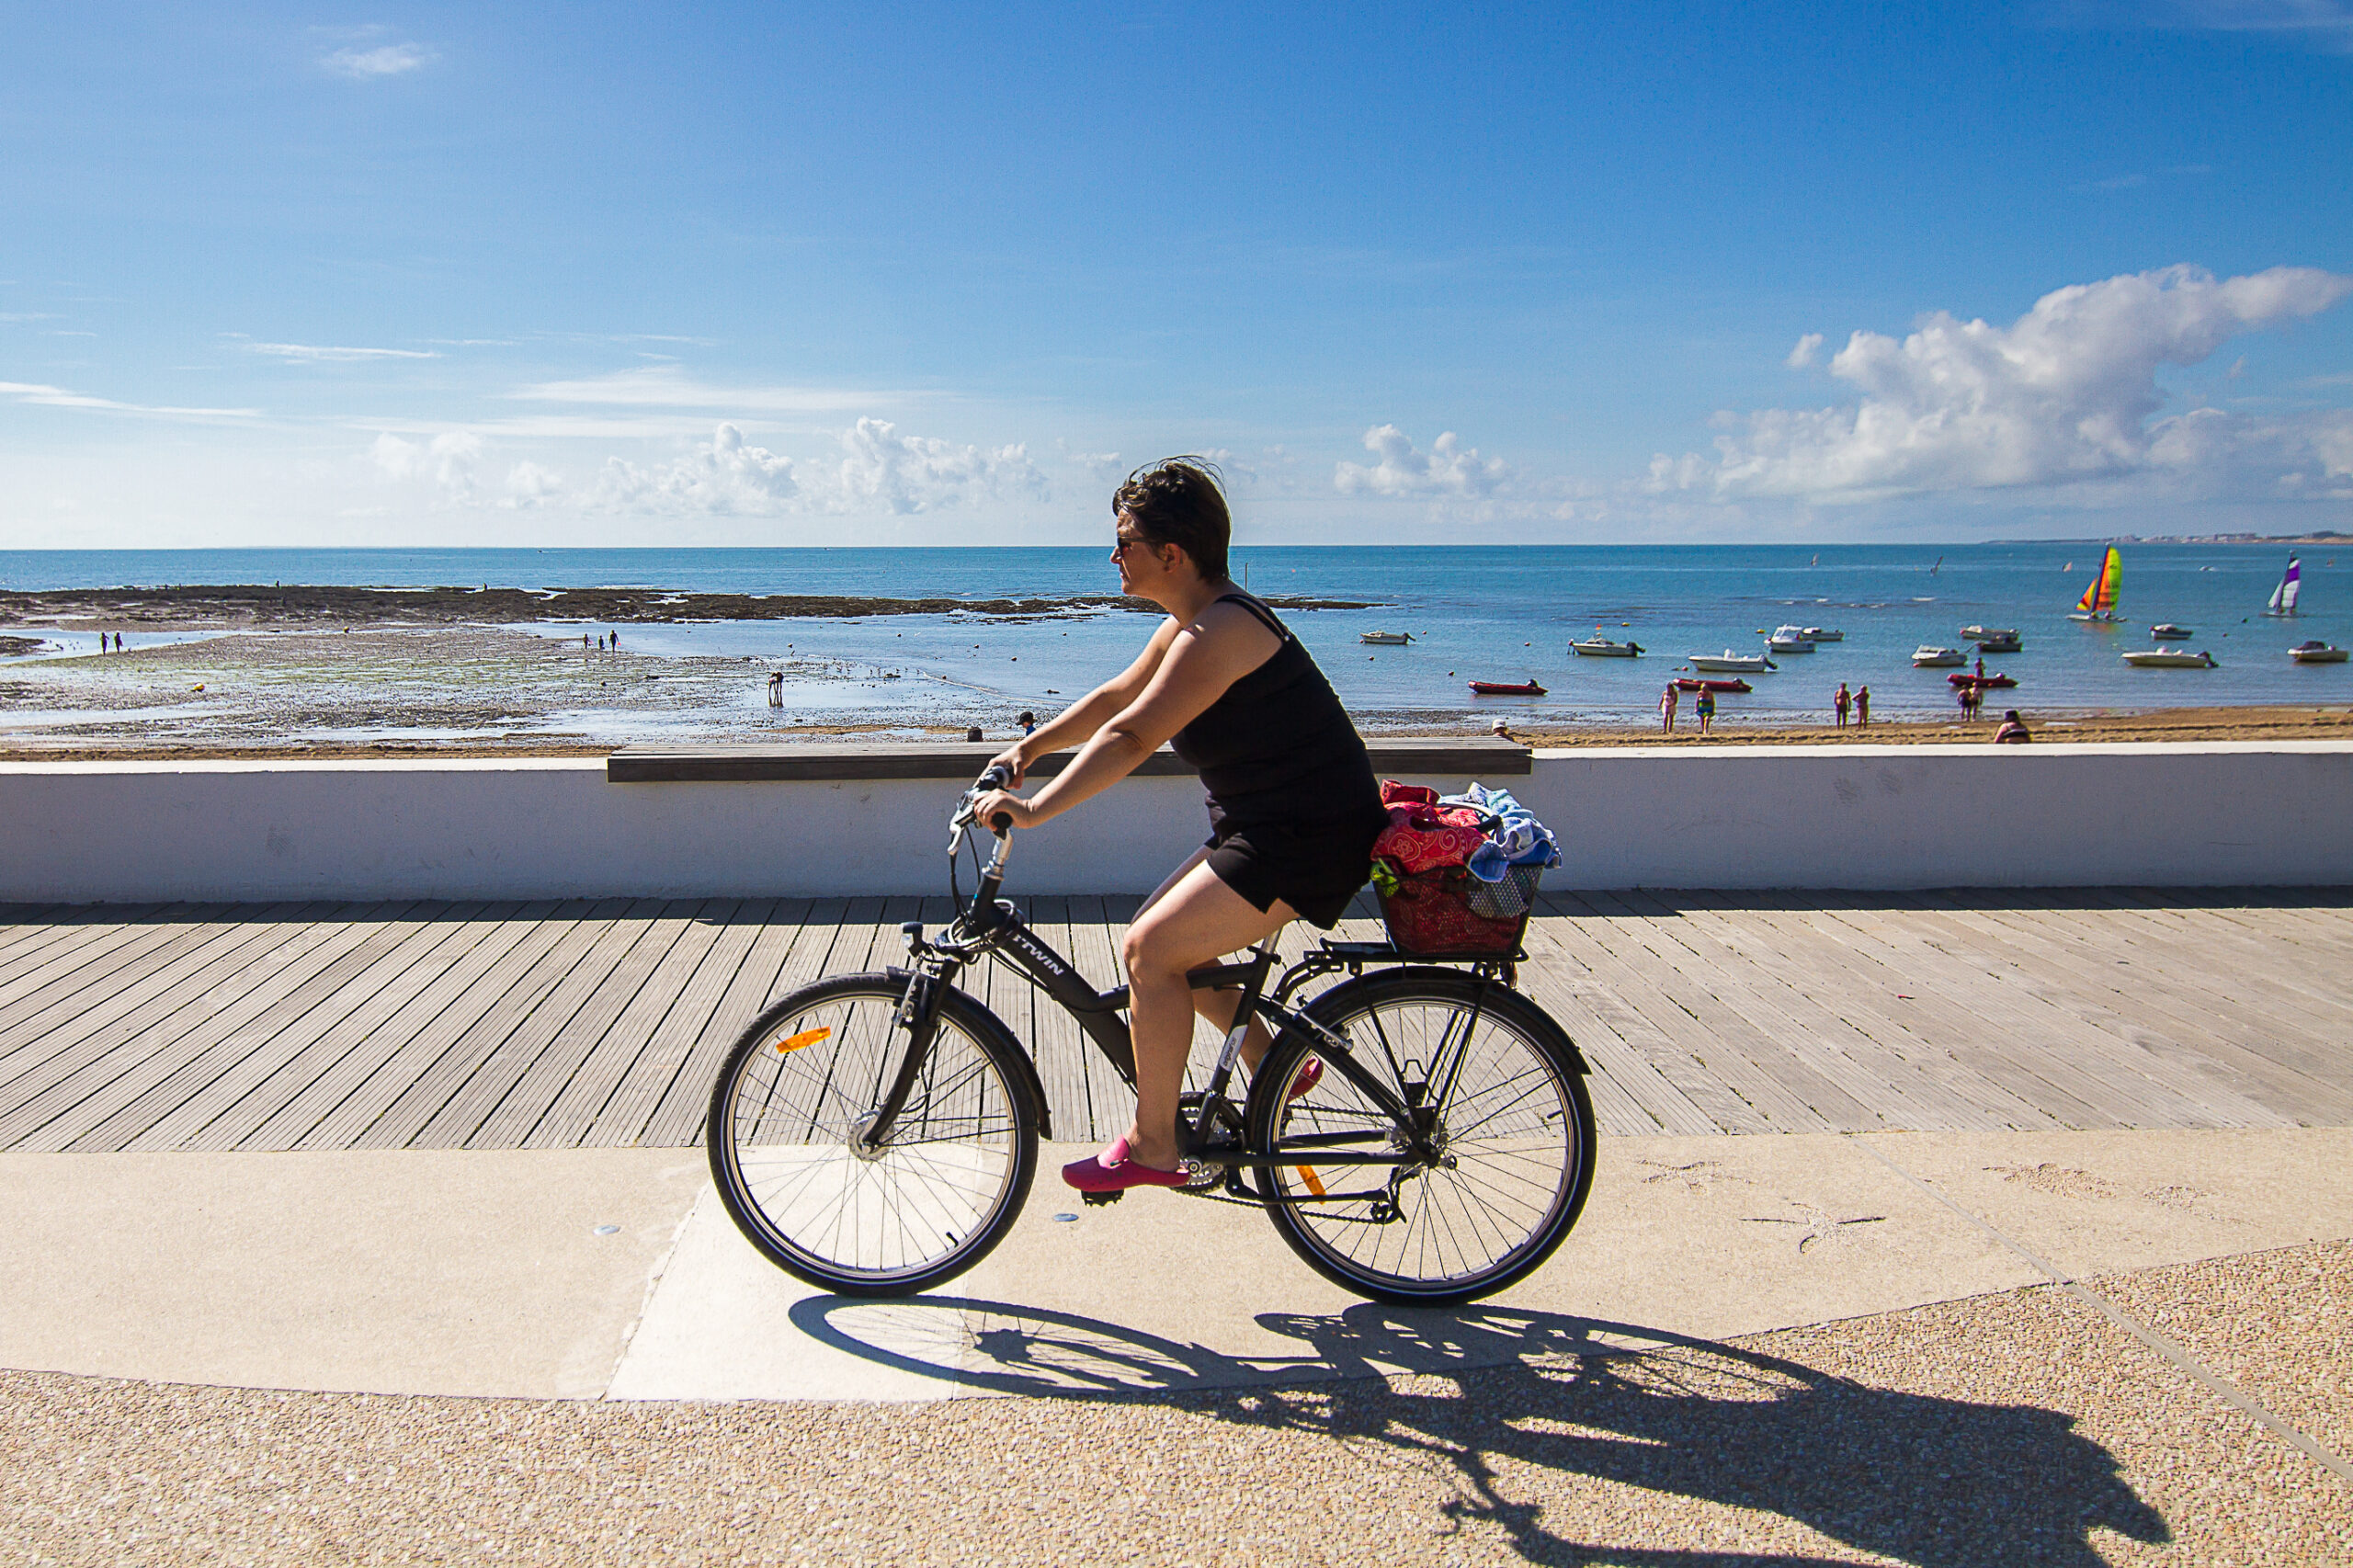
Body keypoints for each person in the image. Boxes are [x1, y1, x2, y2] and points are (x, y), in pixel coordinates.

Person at [973, 459, 1384, 1192]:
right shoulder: (1192, 623)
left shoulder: (1218, 631)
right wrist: (1026, 750)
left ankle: (1154, 1144)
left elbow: (1133, 735)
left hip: (1306, 836)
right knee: (1167, 943)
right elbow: (1114, 698)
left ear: (1173, 554)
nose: (1112, 555)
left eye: (1124, 540)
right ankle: (1277, 1064)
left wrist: (1034, 811)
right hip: (1268, 824)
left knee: (1150, 953)